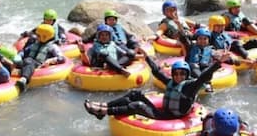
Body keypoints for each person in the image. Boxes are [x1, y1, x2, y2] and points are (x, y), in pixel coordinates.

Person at [84, 50, 222, 120]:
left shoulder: (189, 87)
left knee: (136, 105)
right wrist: (147, 57)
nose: (179, 76)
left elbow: (204, 77)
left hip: (170, 118)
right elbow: (157, 71)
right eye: (176, 73)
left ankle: (105, 112)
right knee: (134, 95)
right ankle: (105, 106)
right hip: (162, 112)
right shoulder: (171, 82)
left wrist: (218, 63)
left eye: (182, 74)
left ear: (187, 75)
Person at [15, 24, 66, 92]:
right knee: (21, 60)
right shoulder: (35, 43)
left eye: (38, 35)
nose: (36, 36)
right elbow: (25, 51)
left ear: (45, 37)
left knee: (29, 61)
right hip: (27, 61)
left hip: (38, 64)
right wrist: (19, 55)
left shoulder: (53, 46)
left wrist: (51, 60)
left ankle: (24, 79)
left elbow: (62, 58)